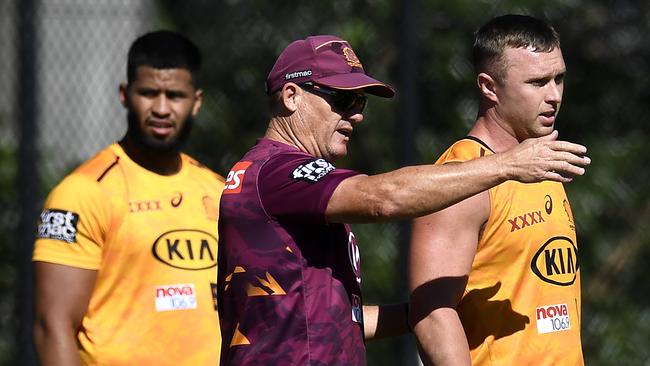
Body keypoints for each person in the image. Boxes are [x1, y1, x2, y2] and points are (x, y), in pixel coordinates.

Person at [216, 34, 590, 365]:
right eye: (341, 100)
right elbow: (384, 198)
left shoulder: (292, 191)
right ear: (292, 96)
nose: (356, 115)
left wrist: (432, 309)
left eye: (359, 102)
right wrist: (507, 166)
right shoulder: (274, 171)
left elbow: (342, 319)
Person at [32, 30, 224, 365]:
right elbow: (53, 325)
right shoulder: (82, 193)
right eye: (149, 93)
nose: (162, 109)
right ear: (125, 94)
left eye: (175, 96)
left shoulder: (220, 191)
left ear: (196, 102)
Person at [409, 14, 584, 365]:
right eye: (537, 82)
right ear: (489, 86)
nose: (554, 96)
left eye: (559, 79)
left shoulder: (540, 161)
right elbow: (432, 314)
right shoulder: (461, 178)